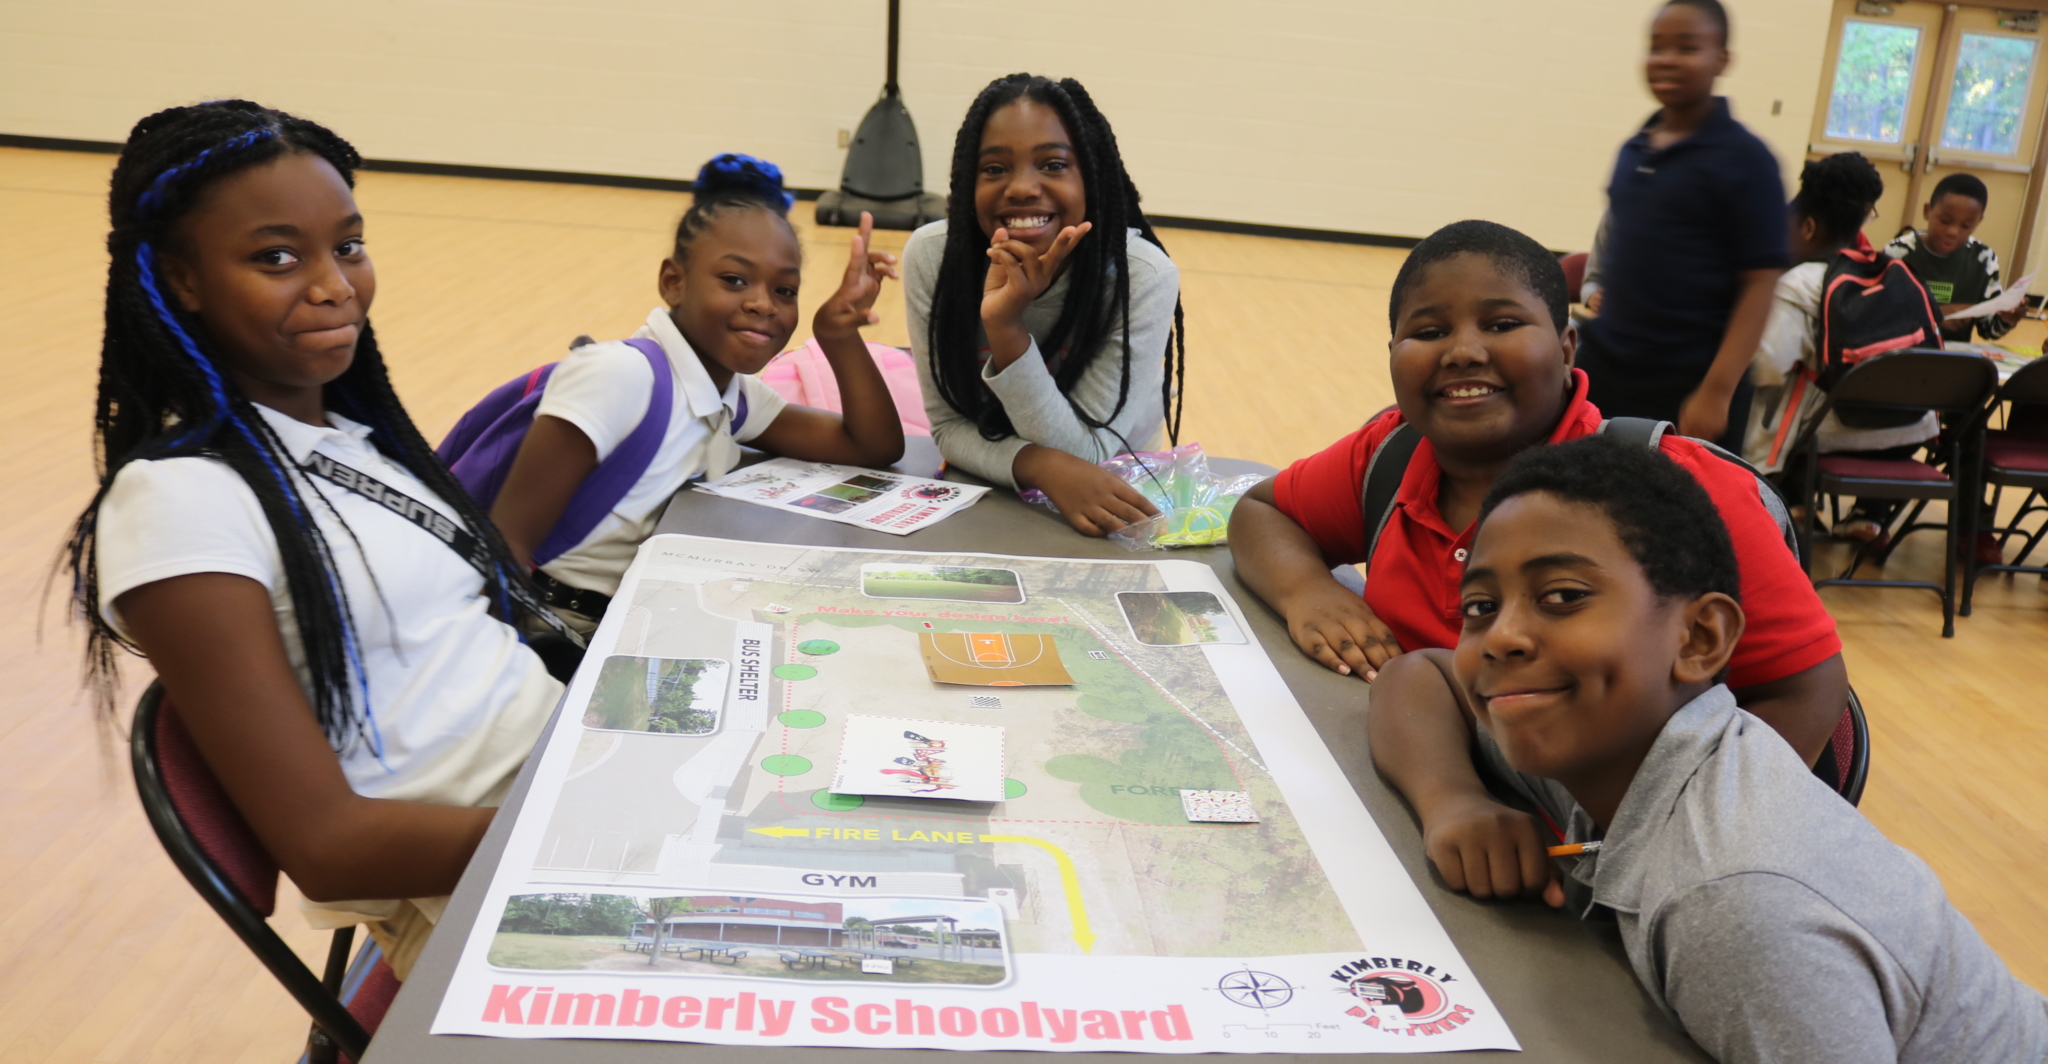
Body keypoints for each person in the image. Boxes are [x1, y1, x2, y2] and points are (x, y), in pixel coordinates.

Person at [68, 101, 564, 979]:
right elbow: (331, 849)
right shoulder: (178, 502)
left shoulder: (345, 438)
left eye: (349, 245)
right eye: (277, 257)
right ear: (181, 280)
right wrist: (588, 829)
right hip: (490, 888)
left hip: (560, 792)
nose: (335, 285)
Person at [1371, 434, 2048, 1064]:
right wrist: (1451, 801)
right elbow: (1422, 674)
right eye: (1481, 606)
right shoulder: (1623, 746)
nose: (1500, 637)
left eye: (1563, 596)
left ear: (1699, 639)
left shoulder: (1734, 910)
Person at [1229, 219, 1847, 771]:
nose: (1463, 351)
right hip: (1433, 792)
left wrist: (1663, 839)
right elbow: (1262, 513)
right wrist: (1306, 591)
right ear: (1392, 355)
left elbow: (1807, 688)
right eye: (1428, 330)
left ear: (1567, 346)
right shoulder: (1390, 453)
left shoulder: (1677, 490)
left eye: (1502, 324)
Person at [490, 155, 905, 631]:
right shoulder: (619, 376)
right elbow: (503, 547)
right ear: (674, 282)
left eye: (785, 290)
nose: (762, 304)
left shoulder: (731, 393)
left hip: (633, 618)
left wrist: (838, 336)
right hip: (553, 624)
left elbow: (873, 447)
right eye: (734, 280)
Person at [905, 72, 1187, 537]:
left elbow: (1087, 455)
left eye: (1053, 165)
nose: (1020, 187)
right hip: (988, 484)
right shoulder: (934, 258)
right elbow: (948, 428)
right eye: (994, 169)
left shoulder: (1142, 276)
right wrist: (1037, 466)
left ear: (1092, 178)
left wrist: (1007, 328)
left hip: (1109, 497)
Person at [1574, 0, 1788, 453]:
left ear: (1722, 59)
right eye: (1657, 46)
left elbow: (1760, 286)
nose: (1666, 59)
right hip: (1611, 371)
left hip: (1691, 384)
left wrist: (1716, 391)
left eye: (1687, 47)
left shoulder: (1748, 161)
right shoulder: (1635, 148)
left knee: (1676, 518)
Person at [1747, 153, 1937, 544]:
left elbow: (1765, 367)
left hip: (1837, 434)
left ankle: (1782, 502)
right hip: (1910, 431)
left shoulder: (1800, 283)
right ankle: (1865, 511)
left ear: (1809, 226)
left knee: (1761, 396)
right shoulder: (1896, 270)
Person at [1886, 172, 2027, 345]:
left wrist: (2007, 320)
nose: (1953, 232)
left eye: (1966, 226)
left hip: (1953, 360)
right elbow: (1877, 320)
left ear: (1978, 222)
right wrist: (1935, 316)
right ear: (1927, 211)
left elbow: (1988, 330)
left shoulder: (1983, 258)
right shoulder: (1897, 253)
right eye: (1945, 221)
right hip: (1901, 355)